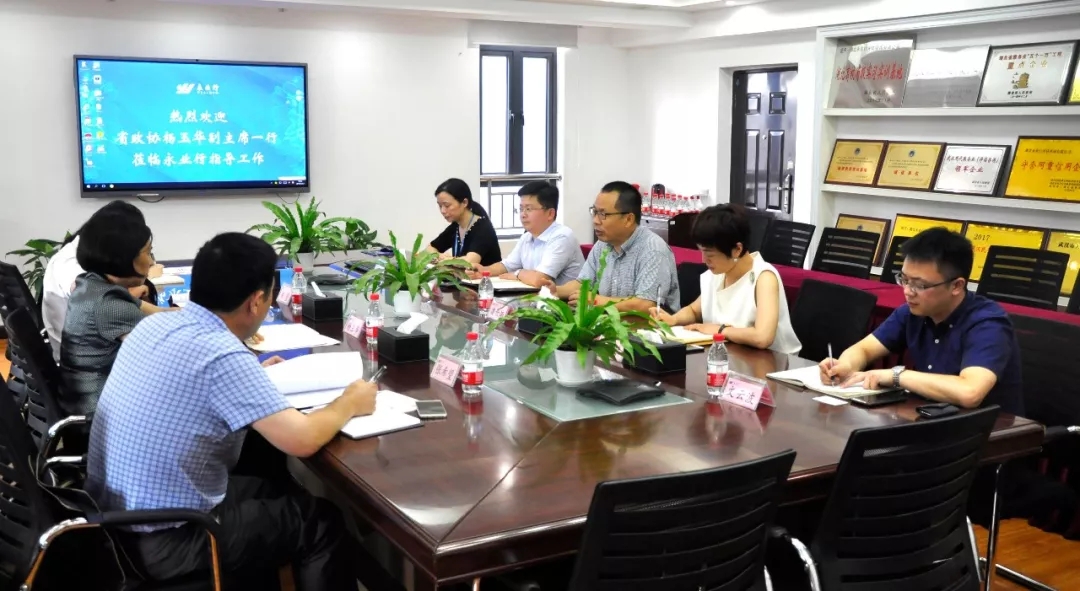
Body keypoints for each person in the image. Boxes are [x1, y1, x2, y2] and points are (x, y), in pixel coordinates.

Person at [86, 233, 378, 589]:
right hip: (168, 539)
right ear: (256, 301)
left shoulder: (156, 324)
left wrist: (250, 377)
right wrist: (351, 401)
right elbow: (302, 440)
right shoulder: (221, 353)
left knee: (276, 489)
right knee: (319, 522)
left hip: (112, 521)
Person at [819, 227, 1024, 415]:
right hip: (933, 418)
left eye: (920, 285)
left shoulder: (987, 323)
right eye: (904, 280)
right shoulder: (911, 313)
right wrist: (845, 366)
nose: (908, 292)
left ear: (956, 286)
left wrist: (896, 376)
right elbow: (864, 349)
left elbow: (969, 392)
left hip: (990, 431)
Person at [649, 204, 801, 355]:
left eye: (710, 254)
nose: (704, 260)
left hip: (771, 362)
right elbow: (694, 310)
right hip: (728, 356)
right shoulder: (718, 273)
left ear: (737, 250)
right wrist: (673, 320)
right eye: (702, 252)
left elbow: (762, 337)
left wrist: (720, 330)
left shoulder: (764, 278)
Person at [59, 211, 164, 417]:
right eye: (148, 253)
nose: (152, 262)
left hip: (81, 403)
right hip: (97, 419)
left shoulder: (89, 283)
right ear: (124, 258)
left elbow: (159, 314)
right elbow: (165, 353)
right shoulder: (109, 305)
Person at [42, 201, 164, 360]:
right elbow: (156, 350)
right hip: (78, 359)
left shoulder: (90, 276)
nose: (151, 261)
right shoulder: (73, 268)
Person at [546, 181, 678, 313]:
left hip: (645, 324)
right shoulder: (602, 245)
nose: (595, 220)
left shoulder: (653, 249)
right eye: (595, 212)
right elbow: (582, 285)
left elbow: (645, 305)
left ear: (628, 219)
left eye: (603, 214)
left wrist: (596, 301)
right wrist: (553, 290)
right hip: (608, 321)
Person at [473, 181, 583, 286]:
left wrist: (517, 274)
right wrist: (484, 270)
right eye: (521, 209)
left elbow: (540, 280)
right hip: (536, 296)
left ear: (550, 213)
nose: (523, 215)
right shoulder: (527, 237)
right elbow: (507, 265)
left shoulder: (562, 237)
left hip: (563, 299)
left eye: (529, 209)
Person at [426, 178, 502, 267]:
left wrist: (447, 260)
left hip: (486, 276)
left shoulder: (483, 228)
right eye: (440, 206)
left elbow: (469, 262)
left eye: (447, 205)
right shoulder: (456, 226)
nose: (442, 211)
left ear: (464, 202)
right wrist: (440, 256)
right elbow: (429, 248)